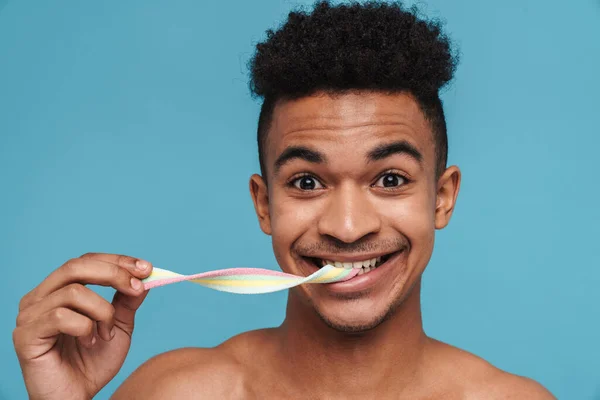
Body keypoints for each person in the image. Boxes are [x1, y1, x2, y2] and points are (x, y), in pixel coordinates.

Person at [13, 2, 556, 399]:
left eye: (389, 180)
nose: (347, 228)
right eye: (306, 182)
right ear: (264, 203)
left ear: (442, 198)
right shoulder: (175, 393)